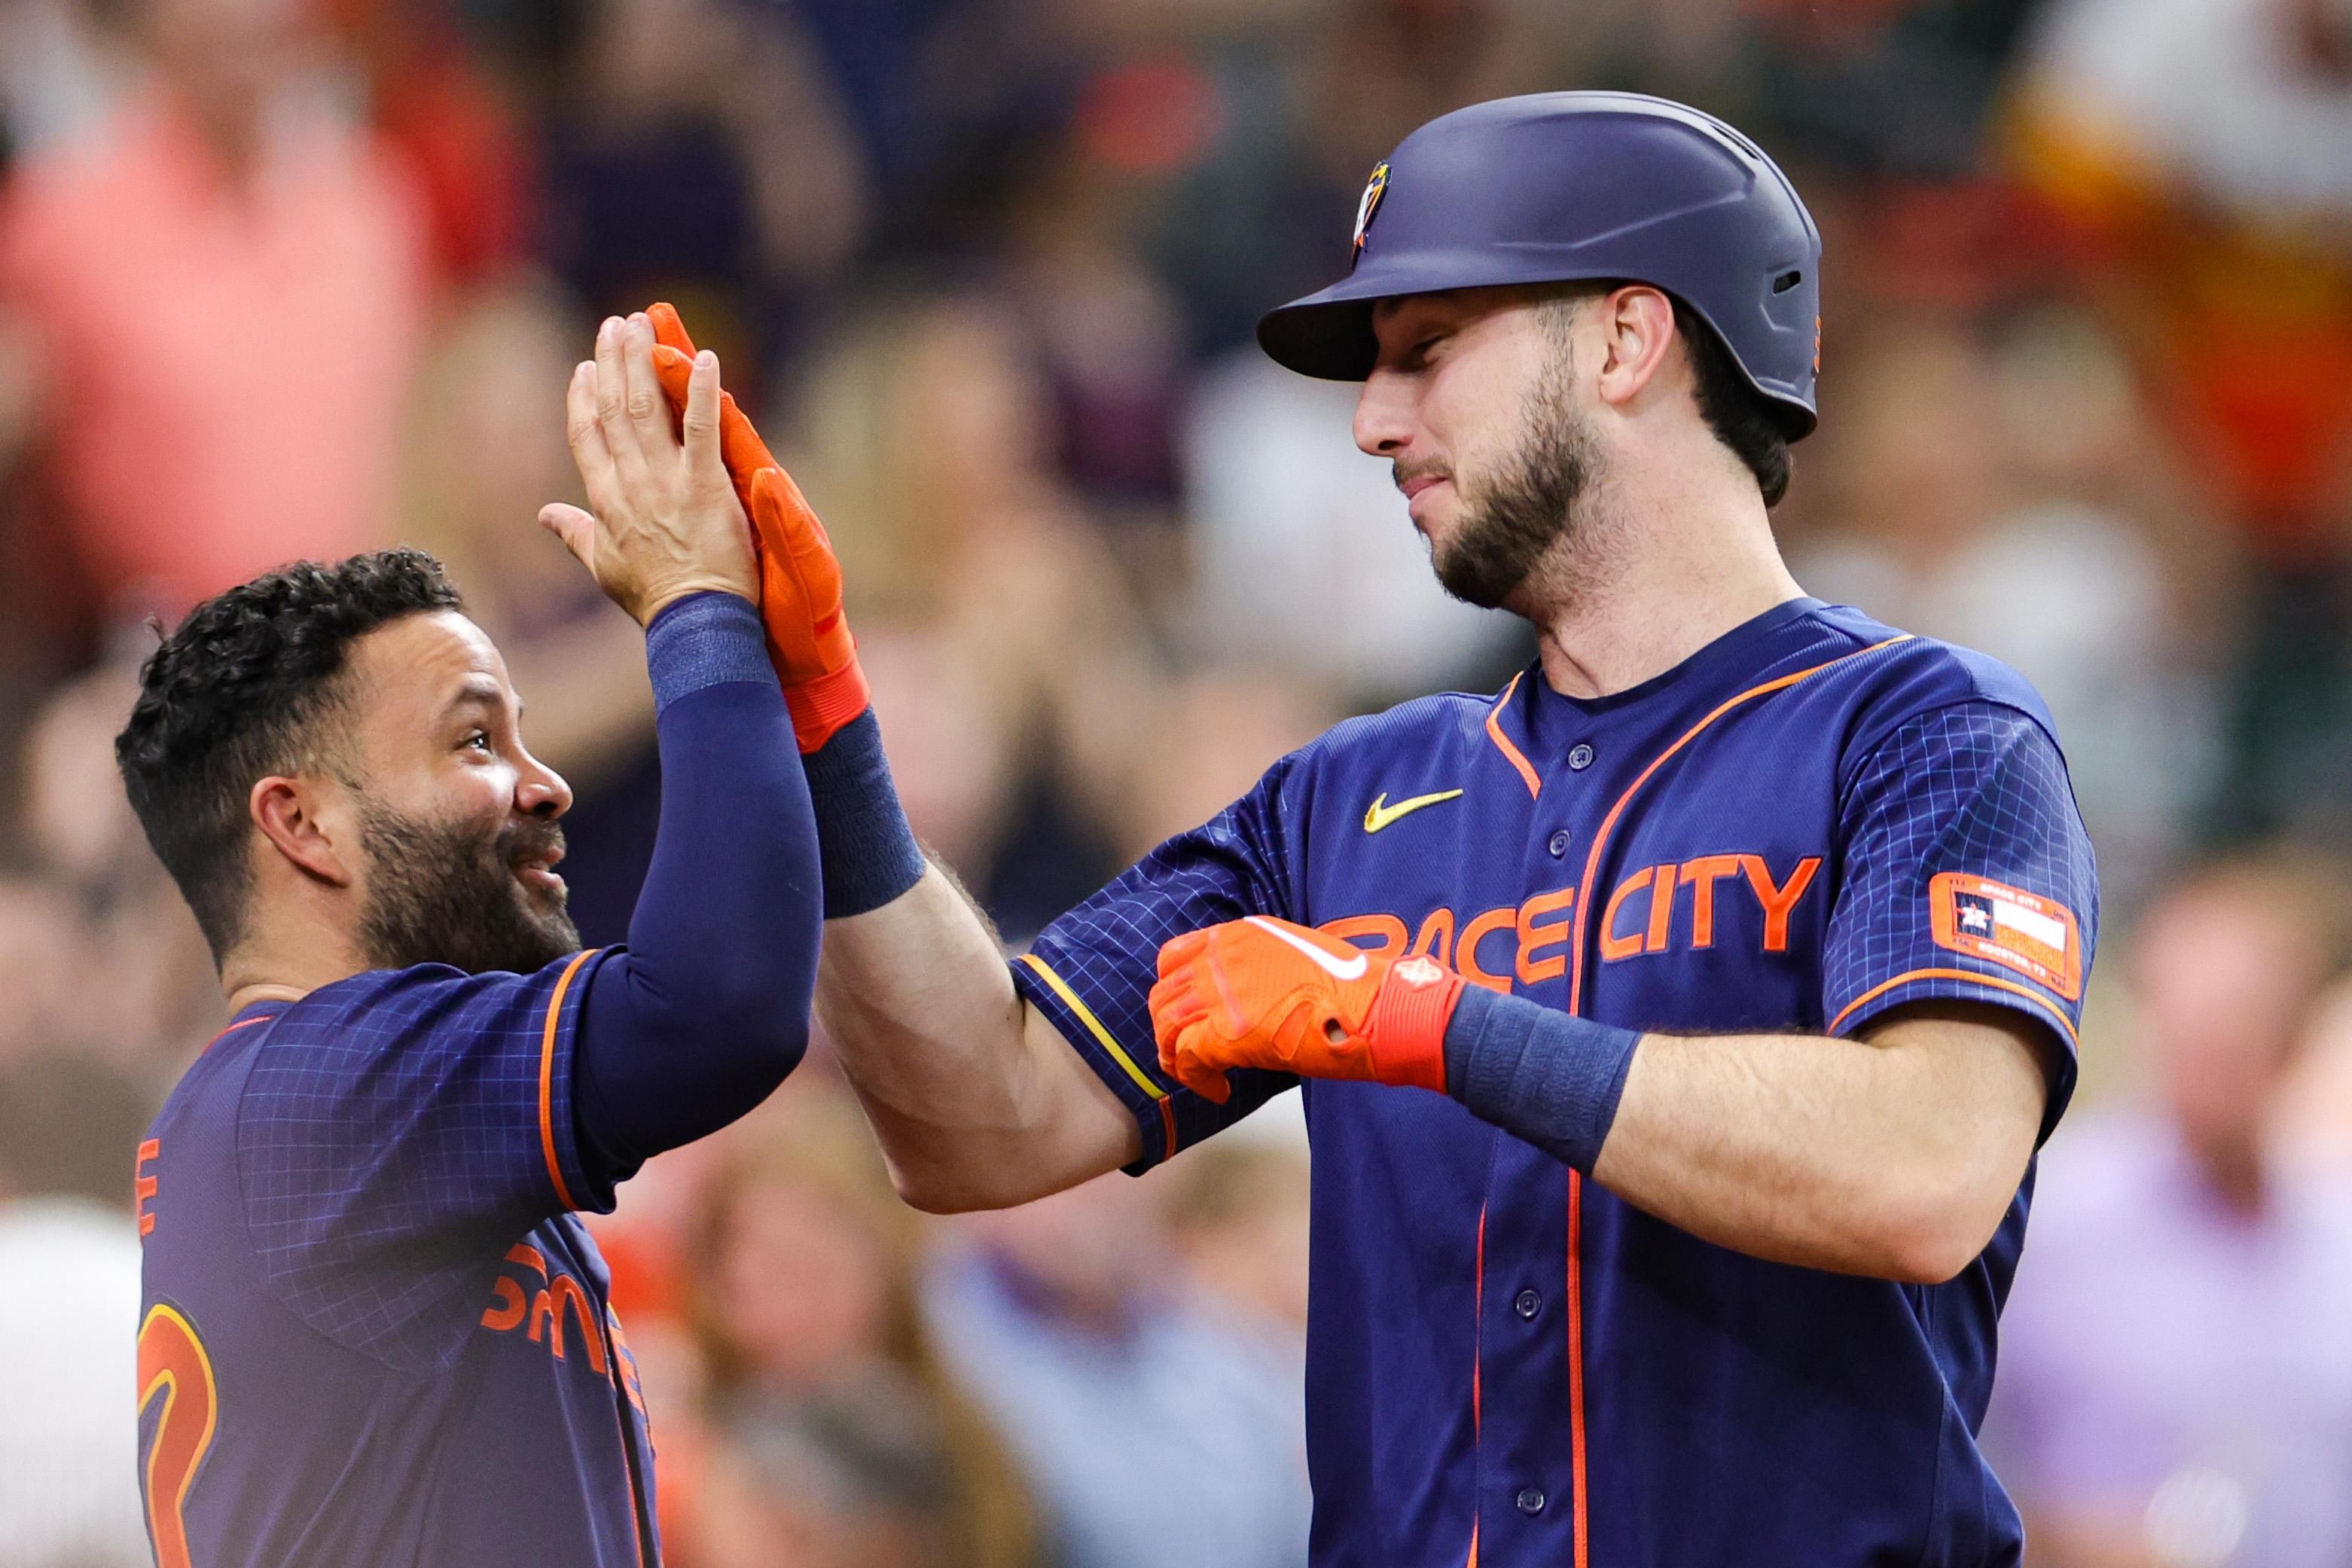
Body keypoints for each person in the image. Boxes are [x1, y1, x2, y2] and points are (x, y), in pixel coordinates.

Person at [651, 94, 2099, 1565]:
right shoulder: (1341, 801)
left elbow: (1928, 1170)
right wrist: (822, 732)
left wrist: (1430, 1024)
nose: (1371, 421)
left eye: (1427, 351)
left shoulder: (1923, 730)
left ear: (1622, 338)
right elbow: (976, 1121)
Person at [125, 315, 824, 1566]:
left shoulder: (342, 1096)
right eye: (474, 742)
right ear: (303, 826)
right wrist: (702, 610)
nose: (545, 784)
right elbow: (721, 1000)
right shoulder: (325, 1090)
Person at [1984, 853, 2352, 1568]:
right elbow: (1953, 1463)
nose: (2209, 1043)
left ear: (2294, 1035)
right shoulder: (2040, 1219)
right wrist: (2063, 1540)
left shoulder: (2333, 1237)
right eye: (2188, 1010)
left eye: (2240, 1015)